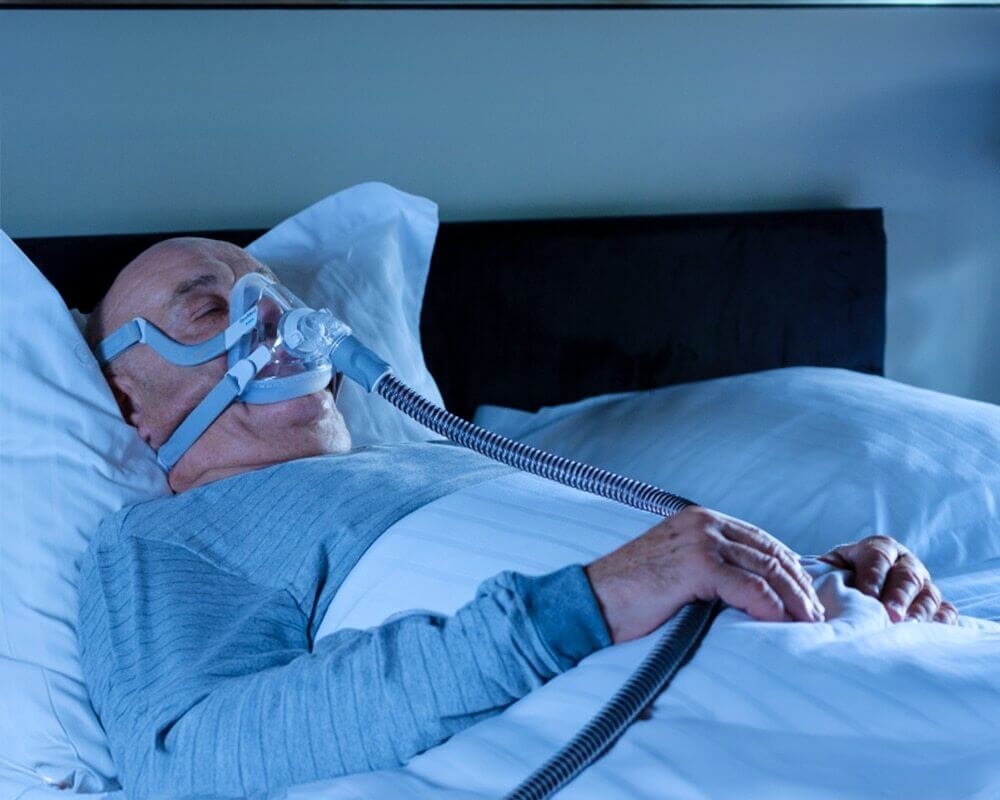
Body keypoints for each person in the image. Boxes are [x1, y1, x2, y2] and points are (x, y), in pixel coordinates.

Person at [78, 237, 957, 799]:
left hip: (828, 642)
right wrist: (589, 601)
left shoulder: (447, 452)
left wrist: (831, 570)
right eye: (208, 305)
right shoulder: (167, 539)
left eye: (276, 295)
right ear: (130, 405)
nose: (273, 319)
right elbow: (186, 757)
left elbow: (659, 552)